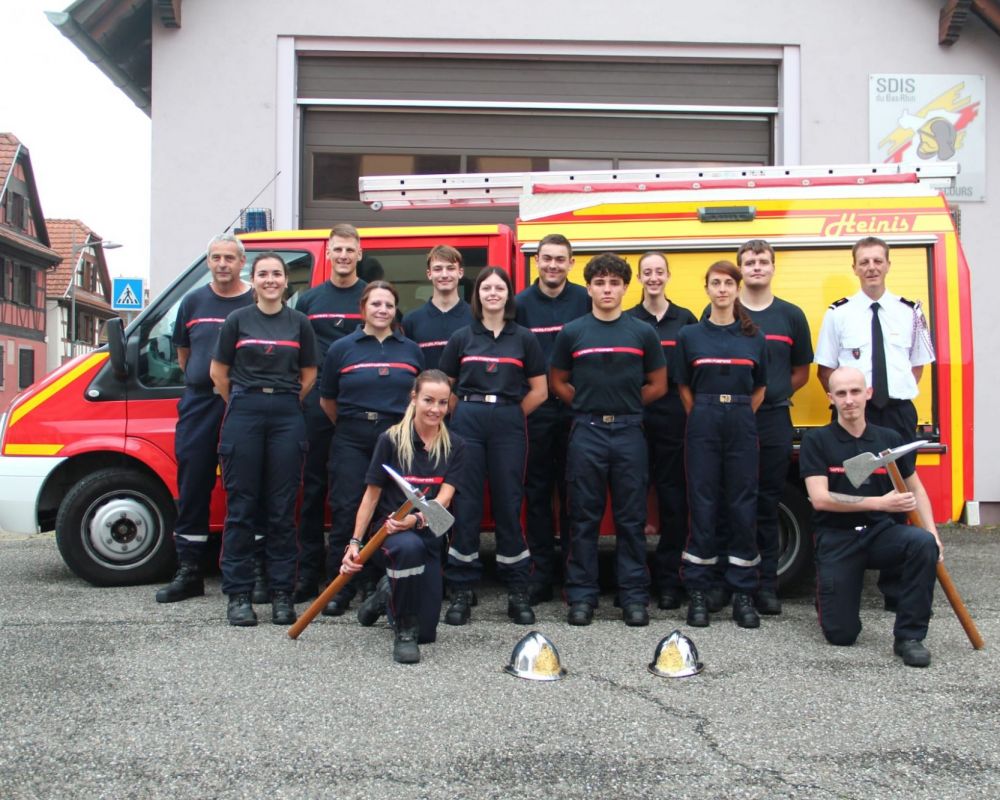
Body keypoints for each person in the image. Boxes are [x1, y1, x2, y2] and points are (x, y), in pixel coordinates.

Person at [814, 236, 935, 610]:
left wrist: (894, 392)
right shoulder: (839, 313)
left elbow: (918, 363)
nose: (871, 267)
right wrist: (851, 401)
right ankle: (851, 559)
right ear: (854, 267)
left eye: (877, 260)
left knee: (900, 491)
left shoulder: (910, 311)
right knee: (856, 482)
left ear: (887, 264)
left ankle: (897, 589)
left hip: (895, 411)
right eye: (863, 261)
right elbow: (826, 370)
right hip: (855, 412)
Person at [550, 252, 666, 627]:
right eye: (599, 282)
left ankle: (633, 596)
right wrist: (586, 405)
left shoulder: (642, 332)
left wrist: (628, 406)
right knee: (583, 517)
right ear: (589, 287)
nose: (607, 289)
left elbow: (658, 383)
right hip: (587, 432)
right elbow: (557, 380)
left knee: (631, 519)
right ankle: (582, 596)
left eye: (614, 283)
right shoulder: (574, 331)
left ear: (625, 287)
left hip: (631, 432)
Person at [799, 367, 942, 667]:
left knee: (922, 544)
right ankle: (830, 589)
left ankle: (910, 638)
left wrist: (933, 533)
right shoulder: (817, 441)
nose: (849, 400)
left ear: (868, 394)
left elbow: (916, 488)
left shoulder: (888, 439)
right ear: (830, 398)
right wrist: (880, 502)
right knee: (842, 635)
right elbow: (821, 499)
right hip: (837, 538)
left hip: (879, 534)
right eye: (841, 394)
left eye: (854, 392)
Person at [210, 252, 318, 626]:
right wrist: (247, 402)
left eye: (276, 274)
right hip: (244, 413)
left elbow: (308, 374)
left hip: (287, 415)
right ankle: (239, 595)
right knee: (240, 509)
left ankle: (282, 594)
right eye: (263, 274)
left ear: (286, 281)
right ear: (252, 280)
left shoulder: (299, 323)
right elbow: (218, 373)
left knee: (282, 511)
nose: (270, 280)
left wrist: (281, 400)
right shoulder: (237, 321)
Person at [438, 266, 548, 626]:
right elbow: (446, 387)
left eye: (499, 287)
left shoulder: (525, 339)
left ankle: (517, 590)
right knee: (465, 504)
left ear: (508, 294)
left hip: (507, 424)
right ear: (478, 294)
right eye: (486, 288)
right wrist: (465, 413)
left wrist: (513, 415)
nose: (493, 293)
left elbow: (540, 390)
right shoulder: (461, 337)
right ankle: (461, 589)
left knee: (508, 503)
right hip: (468, 421)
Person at [340, 370, 464, 663]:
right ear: (414, 398)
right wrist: (355, 543)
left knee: (429, 633)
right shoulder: (390, 440)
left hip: (428, 533)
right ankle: (404, 632)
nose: (435, 409)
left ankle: (386, 592)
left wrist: (417, 520)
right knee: (408, 547)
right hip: (392, 537)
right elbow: (371, 496)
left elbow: (444, 499)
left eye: (443, 402)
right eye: (428, 400)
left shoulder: (457, 445)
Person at [156, 233, 254, 603]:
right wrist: (204, 379)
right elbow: (184, 352)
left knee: (245, 485)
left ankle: (250, 570)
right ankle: (190, 571)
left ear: (242, 262)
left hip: (243, 404)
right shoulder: (192, 301)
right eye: (216, 257)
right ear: (208, 261)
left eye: (230, 257)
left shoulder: (254, 300)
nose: (223, 264)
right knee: (194, 483)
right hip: (200, 404)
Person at [318, 281, 425, 616]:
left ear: (396, 311)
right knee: (347, 507)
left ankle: (375, 582)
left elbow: (417, 399)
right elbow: (327, 400)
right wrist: (355, 423)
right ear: (363, 308)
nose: (382, 310)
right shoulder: (342, 348)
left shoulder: (411, 350)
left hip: (396, 438)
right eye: (376, 304)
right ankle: (341, 586)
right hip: (352, 435)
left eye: (389, 305)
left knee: (391, 512)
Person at [675, 260, 767, 629]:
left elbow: (760, 387)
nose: (723, 289)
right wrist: (701, 414)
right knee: (703, 504)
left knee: (742, 505)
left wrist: (740, 411)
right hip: (703, 420)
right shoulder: (689, 336)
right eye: (716, 283)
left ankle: (743, 593)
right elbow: (682, 384)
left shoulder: (754, 337)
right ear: (707, 288)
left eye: (729, 283)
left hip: (742, 420)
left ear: (736, 288)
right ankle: (699, 591)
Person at [734, 239, 813, 615]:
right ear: (740, 270)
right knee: (733, 505)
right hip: (732, 419)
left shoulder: (791, 315)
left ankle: (766, 586)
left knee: (767, 504)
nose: (756, 267)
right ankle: (734, 586)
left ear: (772, 267)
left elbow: (802, 371)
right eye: (749, 262)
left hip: (774, 419)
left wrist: (772, 393)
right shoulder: (723, 312)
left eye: (762, 261)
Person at [514, 233, 591, 604]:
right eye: (547, 258)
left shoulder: (585, 299)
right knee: (539, 495)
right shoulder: (520, 305)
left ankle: (574, 578)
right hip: (538, 414)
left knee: (576, 496)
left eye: (560, 259)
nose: (553, 265)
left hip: (579, 412)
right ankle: (540, 574)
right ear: (537, 261)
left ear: (571, 263)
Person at [293, 223, 367, 601]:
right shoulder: (309, 302)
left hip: (357, 409)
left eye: (349, 249)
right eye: (336, 249)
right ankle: (308, 573)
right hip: (317, 408)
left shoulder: (369, 297)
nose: (343, 256)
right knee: (313, 490)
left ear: (359, 253)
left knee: (353, 495)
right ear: (328, 253)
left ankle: (352, 576)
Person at [626, 251, 697, 611]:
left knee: (673, 502)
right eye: (647, 272)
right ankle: (637, 579)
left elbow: (691, 374)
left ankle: (669, 580)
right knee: (633, 503)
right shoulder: (626, 320)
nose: (653, 277)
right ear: (639, 279)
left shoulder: (685, 320)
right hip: (633, 420)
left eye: (659, 271)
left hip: (673, 421)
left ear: (668, 276)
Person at [402, 245, 473, 371]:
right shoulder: (411, 321)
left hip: (465, 391)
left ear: (460, 272)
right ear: (429, 274)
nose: (444, 275)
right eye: (438, 269)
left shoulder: (476, 317)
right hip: (426, 391)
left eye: (450, 268)